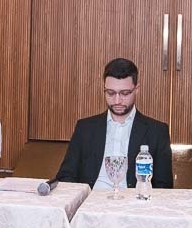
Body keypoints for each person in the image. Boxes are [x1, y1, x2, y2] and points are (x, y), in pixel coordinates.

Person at [56, 57, 173, 190]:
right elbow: (65, 176)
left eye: (125, 93)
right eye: (110, 93)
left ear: (137, 89)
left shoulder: (157, 132)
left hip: (134, 200)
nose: (117, 101)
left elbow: (164, 188)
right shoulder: (85, 128)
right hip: (91, 198)